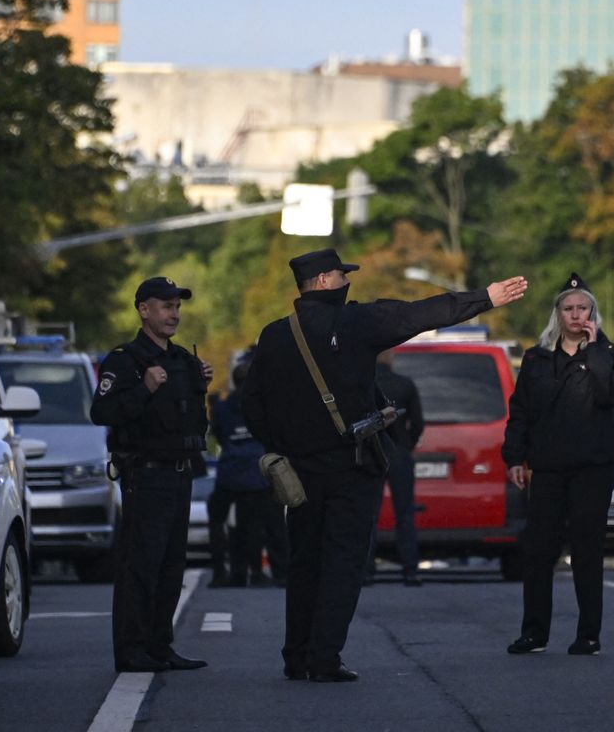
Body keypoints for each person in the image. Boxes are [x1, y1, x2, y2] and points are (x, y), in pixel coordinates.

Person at [242, 247, 526, 682]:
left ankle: (296, 655)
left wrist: (283, 446)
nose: (347, 282)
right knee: (344, 562)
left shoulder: (276, 335)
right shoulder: (356, 322)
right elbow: (420, 314)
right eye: (341, 275)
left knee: (305, 562)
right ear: (321, 281)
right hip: (352, 466)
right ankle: (324, 658)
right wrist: (484, 297)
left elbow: (253, 404)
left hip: (299, 470)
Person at [501, 272, 614, 657]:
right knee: (538, 550)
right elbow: (521, 411)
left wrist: (594, 352)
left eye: (583, 308)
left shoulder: (613, 357)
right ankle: (534, 633)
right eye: (568, 309)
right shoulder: (536, 359)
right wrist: (515, 457)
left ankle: (588, 634)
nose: (576, 316)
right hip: (547, 467)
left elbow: (610, 394)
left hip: (592, 467)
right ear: (557, 314)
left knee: (587, 550)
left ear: (594, 313)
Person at [89, 276, 214, 674]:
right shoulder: (126, 360)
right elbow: (102, 413)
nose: (174, 313)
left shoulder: (182, 361)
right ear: (144, 310)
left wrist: (200, 384)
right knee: (140, 567)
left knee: (171, 566)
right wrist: (144, 388)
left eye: (177, 306)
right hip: (145, 476)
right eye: (166, 306)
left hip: (180, 474)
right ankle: (132, 650)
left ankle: (160, 646)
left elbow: (193, 421)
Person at [208, 348, 288, 587]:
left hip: (230, 472)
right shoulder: (262, 404)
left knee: (220, 520)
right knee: (262, 524)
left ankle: (224, 571)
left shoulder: (222, 407)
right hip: (258, 472)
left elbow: (218, 435)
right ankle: (262, 570)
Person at [366, 349, 425, 586]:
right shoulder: (405, 384)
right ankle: (410, 569)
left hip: (372, 453)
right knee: (405, 513)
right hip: (399, 452)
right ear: (390, 356)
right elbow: (418, 422)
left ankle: (367, 570)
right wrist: (406, 444)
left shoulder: (367, 385)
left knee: (369, 514)